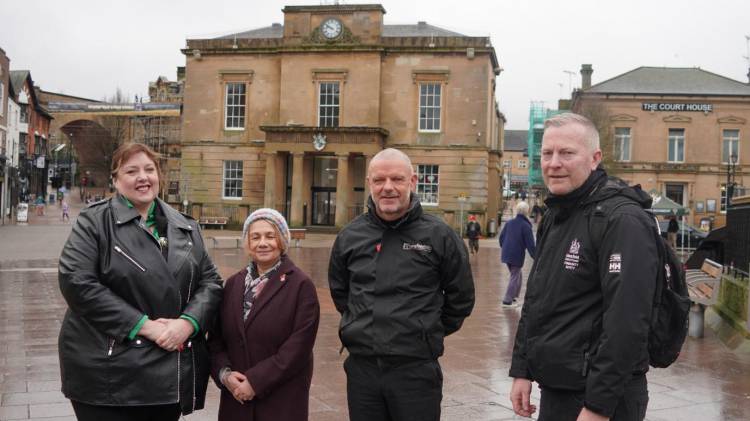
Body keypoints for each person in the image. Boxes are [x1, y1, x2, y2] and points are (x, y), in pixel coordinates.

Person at [57, 143, 223, 421]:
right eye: (131, 171)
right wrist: (144, 326)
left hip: (167, 370)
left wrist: (188, 323)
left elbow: (211, 282)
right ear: (116, 179)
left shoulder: (185, 226)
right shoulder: (94, 222)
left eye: (149, 169)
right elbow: (77, 281)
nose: (142, 177)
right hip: (107, 371)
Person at [509, 113, 657, 421]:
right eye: (547, 153)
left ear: (594, 158)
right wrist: (522, 369)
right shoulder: (556, 213)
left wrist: (598, 406)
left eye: (566, 153)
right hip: (559, 387)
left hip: (603, 399)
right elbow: (537, 298)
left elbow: (627, 323)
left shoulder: (622, 220)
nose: (553, 163)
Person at [329, 148, 475, 421]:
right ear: (369, 183)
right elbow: (341, 293)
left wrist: (425, 330)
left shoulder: (439, 235)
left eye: (396, 179)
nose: (388, 188)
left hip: (416, 370)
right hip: (363, 369)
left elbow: (461, 297)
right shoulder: (350, 236)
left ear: (412, 181)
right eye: (379, 180)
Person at [209, 208, 320, 421]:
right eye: (255, 237)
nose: (263, 243)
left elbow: (298, 347)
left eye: (270, 236)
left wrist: (256, 382)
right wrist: (225, 375)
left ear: (281, 240)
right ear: (247, 244)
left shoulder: (301, 285)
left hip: (280, 401)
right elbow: (216, 340)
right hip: (237, 399)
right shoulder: (233, 284)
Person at [498, 201, 535, 308]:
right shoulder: (526, 226)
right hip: (516, 255)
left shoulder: (509, 223)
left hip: (506, 253)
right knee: (515, 276)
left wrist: (505, 248)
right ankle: (507, 300)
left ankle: (514, 296)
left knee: (518, 274)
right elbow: (531, 245)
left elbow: (501, 238)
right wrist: (536, 257)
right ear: (527, 212)